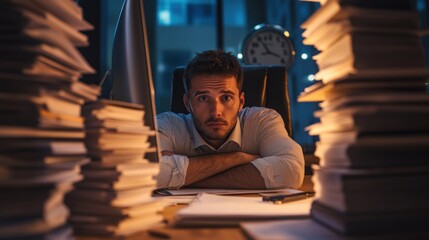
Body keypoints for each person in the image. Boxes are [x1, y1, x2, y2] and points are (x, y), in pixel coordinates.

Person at [156, 50, 304, 190]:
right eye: (203, 98)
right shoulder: (168, 125)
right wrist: (237, 158)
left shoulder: (263, 121)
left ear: (241, 102)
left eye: (226, 98)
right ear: (188, 103)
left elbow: (292, 171)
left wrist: (187, 177)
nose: (216, 112)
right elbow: (150, 174)